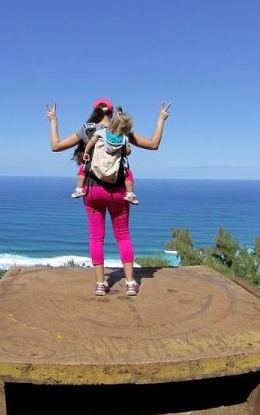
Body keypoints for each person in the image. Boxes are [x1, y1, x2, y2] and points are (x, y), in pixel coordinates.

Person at [47, 98, 171, 297]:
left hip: (92, 191)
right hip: (120, 191)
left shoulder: (87, 130)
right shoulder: (121, 130)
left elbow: (56, 146)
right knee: (123, 236)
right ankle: (131, 283)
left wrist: (53, 120)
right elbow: (154, 144)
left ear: (95, 111)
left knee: (96, 238)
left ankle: (100, 284)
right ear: (113, 112)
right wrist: (161, 119)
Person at [71, 107, 138, 204]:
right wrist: (126, 141)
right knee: (128, 174)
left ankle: (78, 189)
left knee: (83, 169)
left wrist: (86, 152)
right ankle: (130, 194)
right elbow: (128, 152)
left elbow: (91, 142)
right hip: (113, 171)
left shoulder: (101, 133)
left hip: (96, 168)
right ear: (125, 129)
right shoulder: (123, 138)